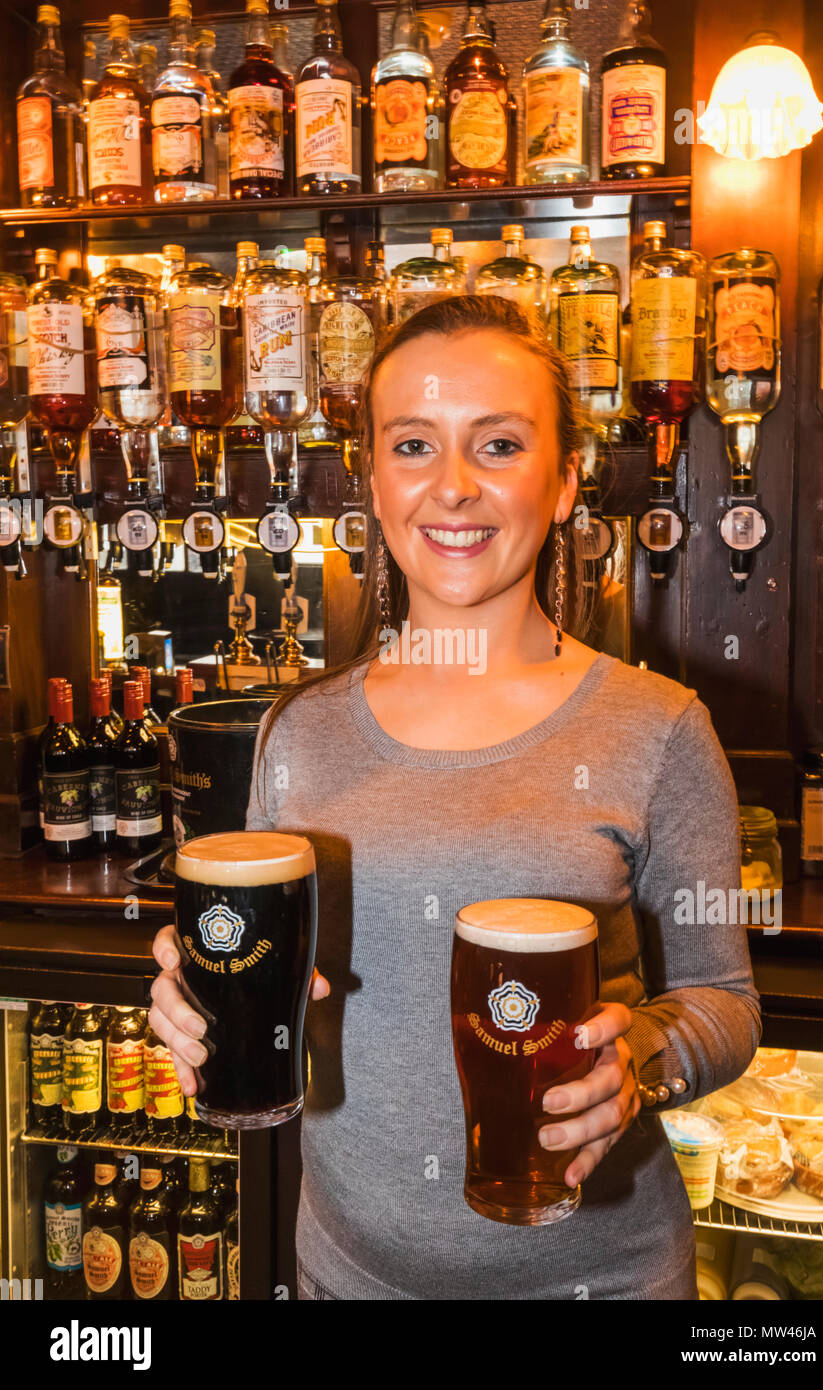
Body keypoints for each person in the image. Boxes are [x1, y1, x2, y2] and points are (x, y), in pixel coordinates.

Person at [150, 295, 761, 1300]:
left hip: (598, 1283)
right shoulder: (295, 733)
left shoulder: (659, 728)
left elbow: (724, 1002)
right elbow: (275, 977)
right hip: (345, 1278)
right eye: (412, 446)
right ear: (375, 485)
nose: (454, 488)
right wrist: (196, 1000)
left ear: (564, 481)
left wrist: (642, 1055)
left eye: (500, 444)